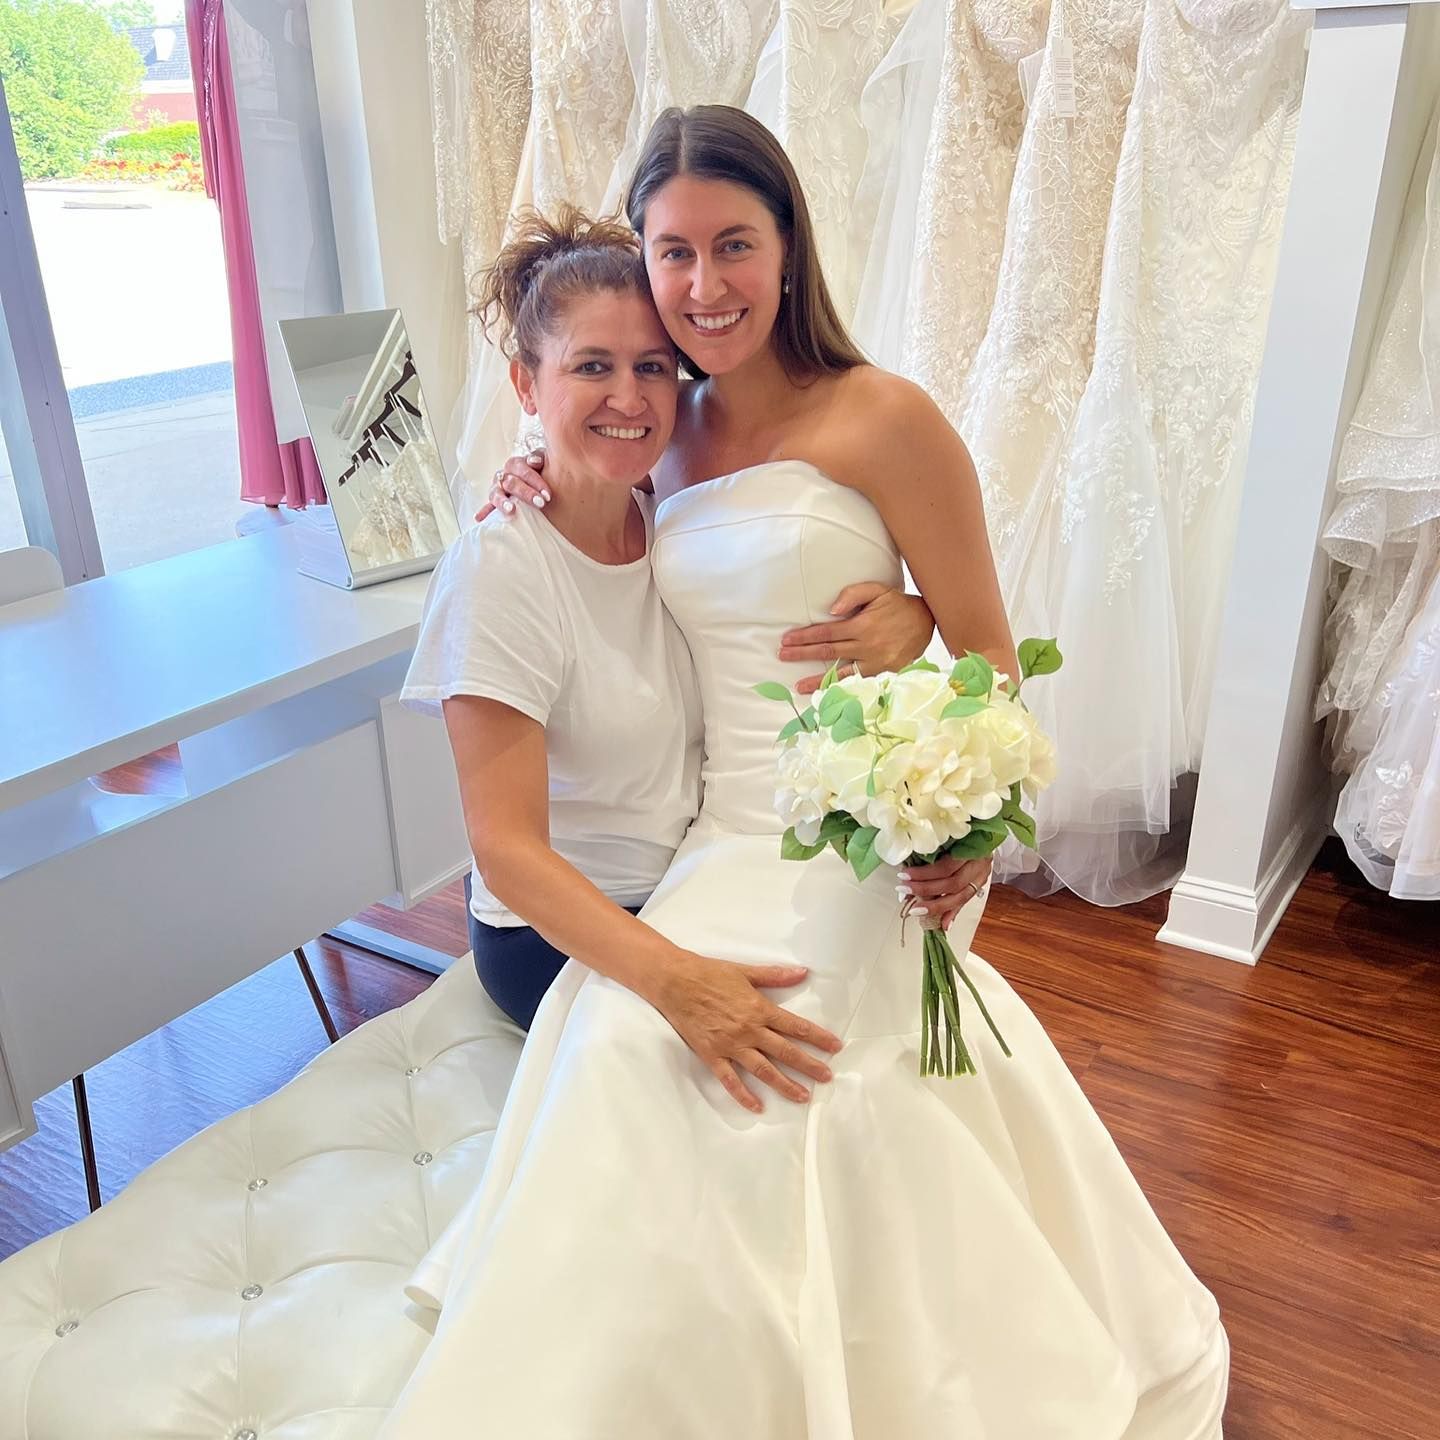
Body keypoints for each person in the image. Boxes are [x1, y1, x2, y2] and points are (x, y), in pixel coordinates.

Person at [382, 108, 1227, 1438]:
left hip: (852, 830)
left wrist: (931, 678)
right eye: (674, 253)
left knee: (809, 1068)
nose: (704, 285)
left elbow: (994, 652)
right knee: (624, 1052)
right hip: (715, 835)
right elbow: (585, 501)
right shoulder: (656, 420)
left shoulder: (884, 417)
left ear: (789, 251)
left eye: (734, 245)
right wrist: (522, 474)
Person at [403, 203, 944, 1094]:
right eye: (592, 367)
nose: (629, 397)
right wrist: (679, 983)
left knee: (855, 1028)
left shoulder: (665, 517)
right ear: (527, 387)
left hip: (697, 878)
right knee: (764, 1083)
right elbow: (504, 849)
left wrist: (914, 613)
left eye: (652, 367)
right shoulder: (498, 569)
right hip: (558, 933)